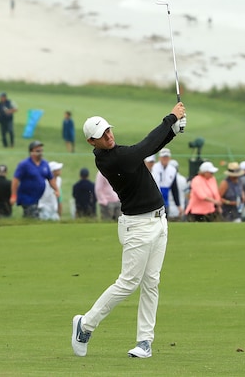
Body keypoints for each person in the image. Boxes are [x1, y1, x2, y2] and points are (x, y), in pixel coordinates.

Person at [71, 102, 186, 359]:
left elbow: (149, 148)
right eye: (103, 136)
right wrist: (170, 119)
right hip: (138, 226)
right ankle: (85, 325)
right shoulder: (111, 160)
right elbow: (144, 148)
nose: (109, 136)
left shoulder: (119, 152)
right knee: (128, 282)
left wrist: (173, 130)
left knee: (151, 282)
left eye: (109, 131)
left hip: (158, 221)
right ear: (92, 142)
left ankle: (144, 341)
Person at [11, 140, 57, 219]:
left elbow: (51, 178)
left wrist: (56, 189)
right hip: (26, 197)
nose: (40, 152)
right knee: (33, 217)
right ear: (31, 152)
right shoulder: (24, 164)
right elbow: (15, 180)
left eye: (41, 150)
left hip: (37, 198)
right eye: (38, 151)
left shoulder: (44, 164)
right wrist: (13, 195)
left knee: (28, 217)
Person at [150, 148, 179, 214]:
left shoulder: (172, 170)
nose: (165, 159)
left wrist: (178, 204)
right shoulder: (154, 168)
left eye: (167, 157)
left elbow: (174, 188)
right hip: (154, 198)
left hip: (165, 200)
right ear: (160, 158)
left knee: (165, 219)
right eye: (163, 157)